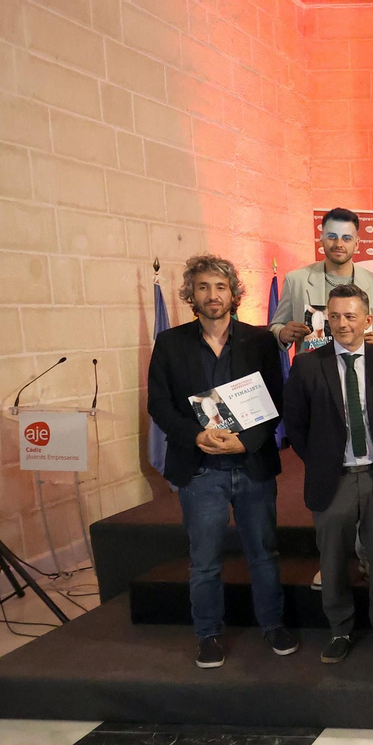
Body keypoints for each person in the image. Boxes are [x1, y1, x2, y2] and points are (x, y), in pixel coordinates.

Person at [147, 254, 290, 669]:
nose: (212, 295)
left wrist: (246, 444)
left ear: (233, 294)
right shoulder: (171, 343)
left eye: (220, 287)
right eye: (204, 287)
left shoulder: (260, 341)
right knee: (205, 560)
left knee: (263, 553)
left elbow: (275, 401)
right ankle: (207, 634)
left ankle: (273, 625)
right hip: (200, 467)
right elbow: (159, 403)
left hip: (252, 465)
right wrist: (195, 435)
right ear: (190, 293)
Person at [282, 285, 373, 664]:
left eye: (350, 316)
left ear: (368, 319)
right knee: (333, 559)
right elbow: (296, 424)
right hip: (332, 477)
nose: (341, 324)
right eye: (334, 316)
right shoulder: (306, 364)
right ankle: (339, 629)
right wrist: (321, 460)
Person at [271, 207, 373, 349]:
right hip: (312, 369)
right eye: (332, 237)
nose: (339, 244)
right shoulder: (296, 281)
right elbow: (275, 327)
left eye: (346, 238)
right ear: (321, 241)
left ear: (356, 244)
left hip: (363, 369)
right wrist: (282, 333)